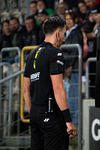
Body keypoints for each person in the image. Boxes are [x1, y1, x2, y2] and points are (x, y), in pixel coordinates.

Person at [23, 16, 76, 149]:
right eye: (63, 33)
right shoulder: (55, 53)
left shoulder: (31, 55)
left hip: (35, 114)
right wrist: (68, 121)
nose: (63, 37)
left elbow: (25, 90)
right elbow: (58, 88)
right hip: (51, 115)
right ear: (58, 33)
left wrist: (34, 113)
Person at [63, 10, 83, 126]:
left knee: (73, 98)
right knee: (68, 97)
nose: (68, 21)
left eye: (70, 19)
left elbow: (75, 50)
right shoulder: (68, 32)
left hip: (74, 69)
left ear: (75, 20)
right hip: (68, 68)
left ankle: (74, 123)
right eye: (66, 19)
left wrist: (70, 66)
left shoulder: (76, 32)